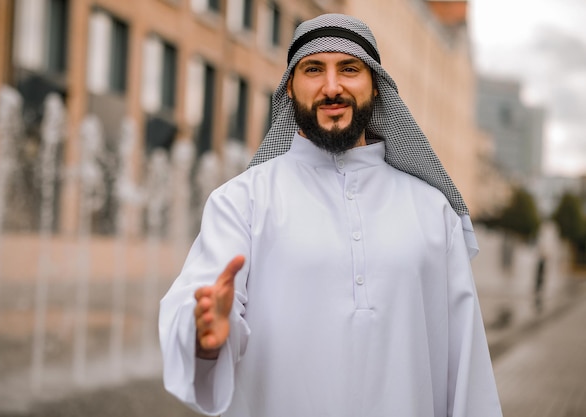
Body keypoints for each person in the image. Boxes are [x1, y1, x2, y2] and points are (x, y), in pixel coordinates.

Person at [159, 13, 503, 417]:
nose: (332, 86)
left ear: (376, 86)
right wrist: (207, 335)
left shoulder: (432, 211)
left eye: (349, 69)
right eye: (313, 69)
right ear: (290, 87)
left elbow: (467, 367)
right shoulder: (242, 201)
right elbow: (199, 305)